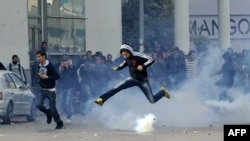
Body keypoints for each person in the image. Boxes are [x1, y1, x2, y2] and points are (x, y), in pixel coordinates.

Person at [94, 44, 170, 106]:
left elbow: (151, 59)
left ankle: (162, 92)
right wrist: (119, 67)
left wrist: (143, 66)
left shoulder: (138, 55)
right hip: (132, 79)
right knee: (117, 88)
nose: (124, 56)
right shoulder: (126, 57)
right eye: (123, 55)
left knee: (152, 100)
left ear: (129, 51)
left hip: (143, 81)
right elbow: (125, 63)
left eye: (125, 54)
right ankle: (101, 99)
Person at [35, 50, 64, 129]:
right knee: (38, 105)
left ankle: (59, 123)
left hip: (51, 90)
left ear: (44, 56)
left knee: (53, 108)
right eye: (37, 57)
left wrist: (47, 77)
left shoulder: (50, 66)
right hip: (42, 89)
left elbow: (57, 76)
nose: (38, 58)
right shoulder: (38, 65)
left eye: (39, 57)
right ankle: (48, 113)